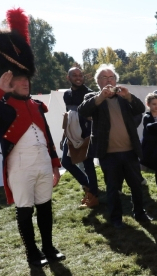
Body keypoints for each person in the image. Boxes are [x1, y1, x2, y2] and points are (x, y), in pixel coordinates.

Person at [0, 8, 65, 267]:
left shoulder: (38, 106)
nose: (25, 82)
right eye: (18, 79)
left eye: (26, 78)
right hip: (19, 166)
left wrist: (54, 166)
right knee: (25, 210)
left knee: (46, 207)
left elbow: (48, 138)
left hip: (41, 164)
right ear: (8, 81)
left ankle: (49, 248)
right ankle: (32, 253)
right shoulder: (1, 104)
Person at [78, 64, 150, 229]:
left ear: (116, 80)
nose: (108, 80)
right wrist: (101, 97)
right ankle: (116, 219)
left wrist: (129, 96)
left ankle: (140, 213)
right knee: (112, 188)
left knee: (136, 186)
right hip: (108, 153)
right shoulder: (93, 97)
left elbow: (140, 108)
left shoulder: (123, 97)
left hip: (130, 151)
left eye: (111, 77)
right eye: (104, 77)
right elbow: (83, 111)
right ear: (98, 82)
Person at [61, 67, 98, 208]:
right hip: (71, 134)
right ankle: (89, 186)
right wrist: (64, 134)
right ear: (68, 77)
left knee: (88, 165)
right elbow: (68, 115)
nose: (78, 78)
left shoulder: (90, 94)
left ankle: (93, 197)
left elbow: (94, 115)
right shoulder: (67, 94)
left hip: (86, 134)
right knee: (65, 162)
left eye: (80, 75)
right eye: (74, 75)